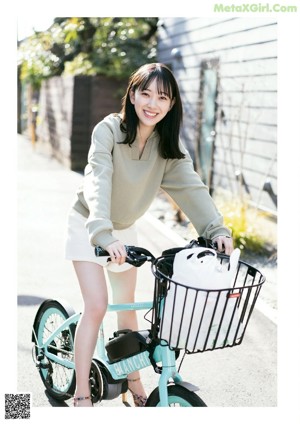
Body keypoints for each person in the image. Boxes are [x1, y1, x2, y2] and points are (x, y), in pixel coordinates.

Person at [65, 62, 233, 407]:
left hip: (124, 230)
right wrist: (101, 232)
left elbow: (191, 187)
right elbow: (98, 178)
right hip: (90, 224)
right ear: (132, 94)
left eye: (162, 97)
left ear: (171, 105)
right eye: (145, 93)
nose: (152, 103)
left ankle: (133, 383)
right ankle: (81, 393)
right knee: (96, 306)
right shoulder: (109, 130)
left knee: (127, 311)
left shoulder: (167, 146)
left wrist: (216, 229)